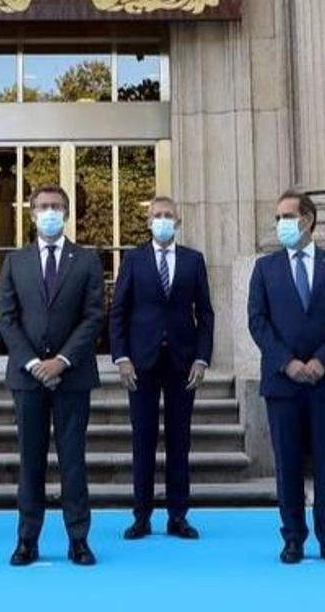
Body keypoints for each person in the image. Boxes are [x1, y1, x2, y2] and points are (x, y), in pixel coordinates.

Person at [247, 189, 325, 566]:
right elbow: (257, 322)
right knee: (287, 464)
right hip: (283, 383)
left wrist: (323, 361)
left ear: (308, 219)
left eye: (287, 217)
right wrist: (287, 363)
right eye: (277, 218)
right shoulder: (266, 268)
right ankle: (292, 537)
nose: (281, 225)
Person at [0, 184, 106, 567]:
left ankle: (78, 539)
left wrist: (61, 360)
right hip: (27, 379)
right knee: (31, 461)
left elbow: (94, 316)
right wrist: (33, 363)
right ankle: (27, 539)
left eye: (56, 206)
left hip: (72, 377)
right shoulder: (15, 261)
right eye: (42, 206)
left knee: (73, 461)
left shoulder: (88, 260)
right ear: (31, 213)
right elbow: (6, 319)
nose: (49, 212)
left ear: (67, 213)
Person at [109, 195, 215, 540]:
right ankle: (141, 516)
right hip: (141, 362)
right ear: (149, 221)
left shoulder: (193, 260)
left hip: (183, 363)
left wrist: (202, 357)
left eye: (169, 215)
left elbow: (206, 314)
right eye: (157, 215)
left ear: (178, 222)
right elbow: (119, 311)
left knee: (179, 440)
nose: (163, 220)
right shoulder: (133, 259)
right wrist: (121, 356)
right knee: (143, 440)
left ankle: (178, 516)